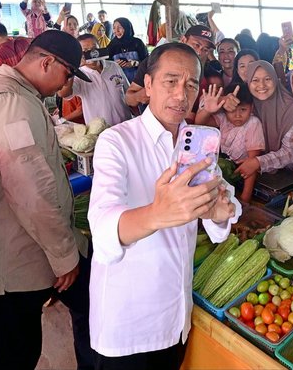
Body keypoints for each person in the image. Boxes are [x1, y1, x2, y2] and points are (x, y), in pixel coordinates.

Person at [88, 42, 239, 369]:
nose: (181, 94)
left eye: (191, 84)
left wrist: (221, 211)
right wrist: (157, 214)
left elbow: (223, 204)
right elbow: (101, 231)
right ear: (149, 85)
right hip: (129, 326)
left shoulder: (198, 144)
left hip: (175, 319)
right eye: (171, 81)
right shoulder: (117, 142)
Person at [0, 30, 94, 370]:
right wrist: (64, 256)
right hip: (6, 261)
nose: (65, 85)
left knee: (17, 346)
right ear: (47, 62)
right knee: (15, 353)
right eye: (66, 74)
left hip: (15, 247)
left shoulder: (16, 94)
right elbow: (31, 189)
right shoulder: (10, 103)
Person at [125, 24, 217, 117]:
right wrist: (141, 95)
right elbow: (129, 99)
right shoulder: (156, 61)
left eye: (205, 49)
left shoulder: (206, 70)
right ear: (184, 40)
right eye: (196, 45)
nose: (199, 52)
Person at [196, 83, 265, 202]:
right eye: (232, 110)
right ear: (225, 109)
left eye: (243, 109)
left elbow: (251, 165)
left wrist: (245, 198)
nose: (237, 115)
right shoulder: (223, 118)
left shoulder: (253, 123)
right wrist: (208, 109)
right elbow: (199, 124)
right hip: (223, 171)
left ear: (252, 108)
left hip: (241, 174)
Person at [235, 60, 293, 179]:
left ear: (275, 80)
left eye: (267, 79)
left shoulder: (292, 109)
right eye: (255, 80)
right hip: (251, 169)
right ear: (248, 82)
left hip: (288, 173)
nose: (261, 85)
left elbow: (290, 152)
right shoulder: (248, 104)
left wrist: (258, 162)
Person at [58, 34, 131, 126]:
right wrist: (74, 68)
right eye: (85, 51)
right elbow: (63, 93)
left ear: (99, 48)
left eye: (94, 49)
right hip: (100, 131)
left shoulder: (113, 66)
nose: (91, 54)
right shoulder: (79, 74)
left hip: (125, 125)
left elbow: (128, 91)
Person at [107, 17, 148, 83]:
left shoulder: (137, 43)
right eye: (114, 27)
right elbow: (106, 65)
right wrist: (114, 65)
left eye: (120, 27)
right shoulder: (112, 45)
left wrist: (135, 63)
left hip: (139, 82)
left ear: (127, 28)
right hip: (119, 83)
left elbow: (147, 62)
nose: (116, 31)